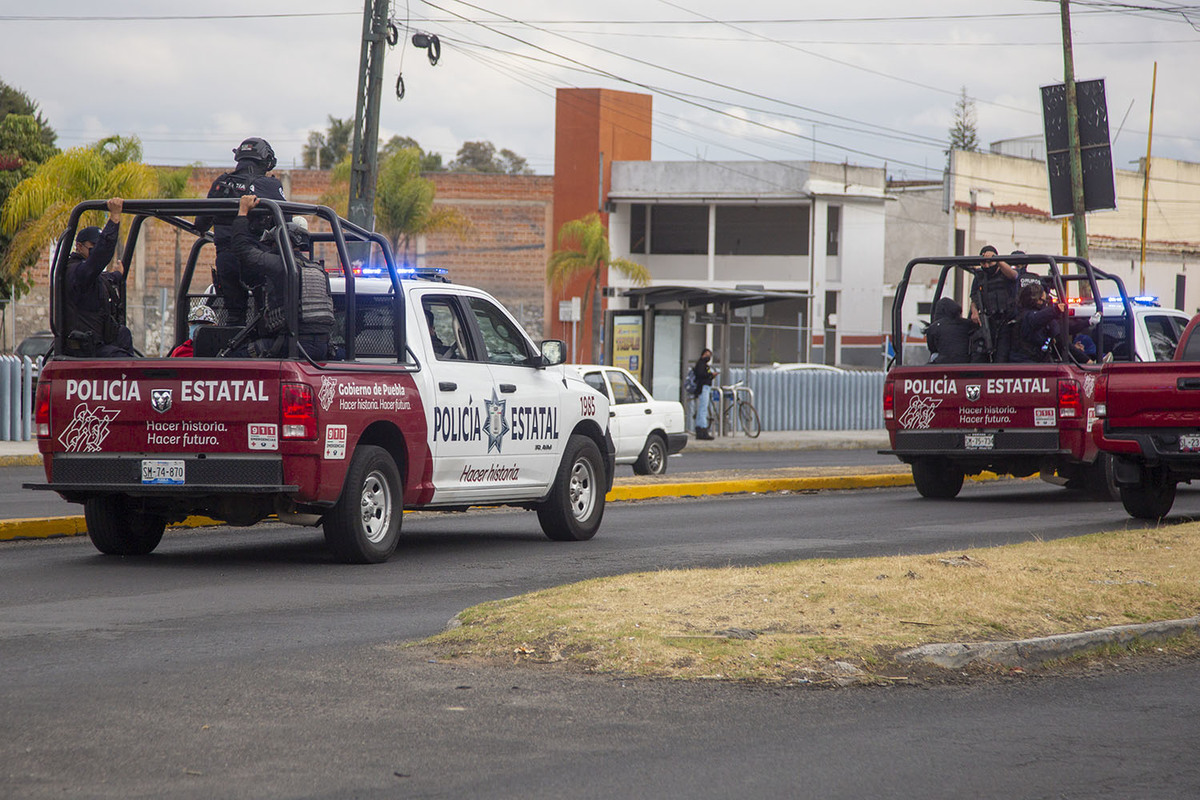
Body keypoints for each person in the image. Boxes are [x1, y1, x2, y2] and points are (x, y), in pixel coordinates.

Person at [195, 137, 287, 328]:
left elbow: (201, 223)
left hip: (226, 262)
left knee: (234, 317)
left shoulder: (220, 183)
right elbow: (288, 222)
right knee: (265, 315)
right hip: (256, 260)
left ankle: (234, 353)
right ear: (265, 159)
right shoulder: (269, 185)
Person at [231, 194, 333, 360]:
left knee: (233, 356)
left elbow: (242, 249)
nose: (270, 248)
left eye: (271, 244)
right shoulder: (317, 270)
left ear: (281, 242)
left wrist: (243, 212)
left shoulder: (281, 265)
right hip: (322, 347)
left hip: (294, 345)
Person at [61, 196, 136, 357]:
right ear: (79, 246)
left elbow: (104, 279)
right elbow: (97, 260)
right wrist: (114, 220)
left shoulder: (89, 275)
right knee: (126, 362)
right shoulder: (76, 272)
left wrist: (117, 274)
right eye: (92, 247)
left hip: (98, 343)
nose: (94, 252)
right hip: (85, 349)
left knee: (123, 334)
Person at [969, 244, 1018, 362]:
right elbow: (974, 299)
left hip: (1006, 321)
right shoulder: (979, 277)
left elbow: (1014, 275)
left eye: (989, 263)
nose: (986, 266)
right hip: (989, 321)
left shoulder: (1004, 272)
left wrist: (996, 259)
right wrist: (974, 312)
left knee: (1002, 356)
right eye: (983, 263)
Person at [1010, 282, 1064, 363]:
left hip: (1038, 360)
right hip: (1025, 362)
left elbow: (1063, 328)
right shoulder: (1025, 316)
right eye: (1043, 300)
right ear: (1036, 300)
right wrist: (1055, 310)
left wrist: (1087, 322)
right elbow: (1036, 319)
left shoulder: (1043, 318)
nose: (1044, 303)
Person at [925, 297, 978, 364]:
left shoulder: (934, 327)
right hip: (967, 361)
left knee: (934, 356)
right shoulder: (968, 324)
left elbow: (932, 348)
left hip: (943, 362)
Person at [691, 348, 716, 439]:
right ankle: (703, 430)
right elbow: (701, 374)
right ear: (702, 354)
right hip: (703, 388)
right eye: (706, 354)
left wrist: (711, 376)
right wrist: (710, 375)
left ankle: (699, 430)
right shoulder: (700, 364)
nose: (708, 357)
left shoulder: (705, 365)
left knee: (702, 409)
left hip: (706, 387)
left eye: (709, 355)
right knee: (703, 410)